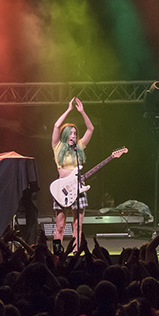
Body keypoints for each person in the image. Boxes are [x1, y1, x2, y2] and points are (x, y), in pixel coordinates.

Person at [52, 97, 95, 254]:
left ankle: (76, 254)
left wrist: (82, 112)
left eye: (75, 133)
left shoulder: (79, 147)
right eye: (70, 133)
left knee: (77, 226)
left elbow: (90, 129)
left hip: (78, 189)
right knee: (60, 226)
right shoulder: (57, 146)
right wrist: (69, 110)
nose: (73, 136)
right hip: (61, 189)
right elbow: (56, 126)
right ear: (65, 135)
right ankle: (57, 254)